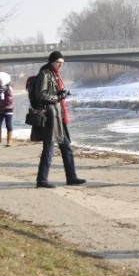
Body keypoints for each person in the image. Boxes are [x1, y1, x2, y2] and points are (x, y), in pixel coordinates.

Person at [30, 51, 86, 188]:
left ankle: (71, 177)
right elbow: (40, 95)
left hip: (58, 117)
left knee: (66, 148)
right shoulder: (45, 74)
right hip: (50, 118)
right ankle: (42, 180)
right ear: (51, 62)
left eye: (62, 63)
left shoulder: (54, 74)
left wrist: (60, 94)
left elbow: (50, 93)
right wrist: (58, 97)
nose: (60, 65)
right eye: (58, 62)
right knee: (48, 149)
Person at [0, 71, 15, 147]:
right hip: (0, 109)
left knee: (8, 125)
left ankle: (9, 140)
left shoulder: (8, 89)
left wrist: (1, 102)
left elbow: (9, 101)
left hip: (8, 110)